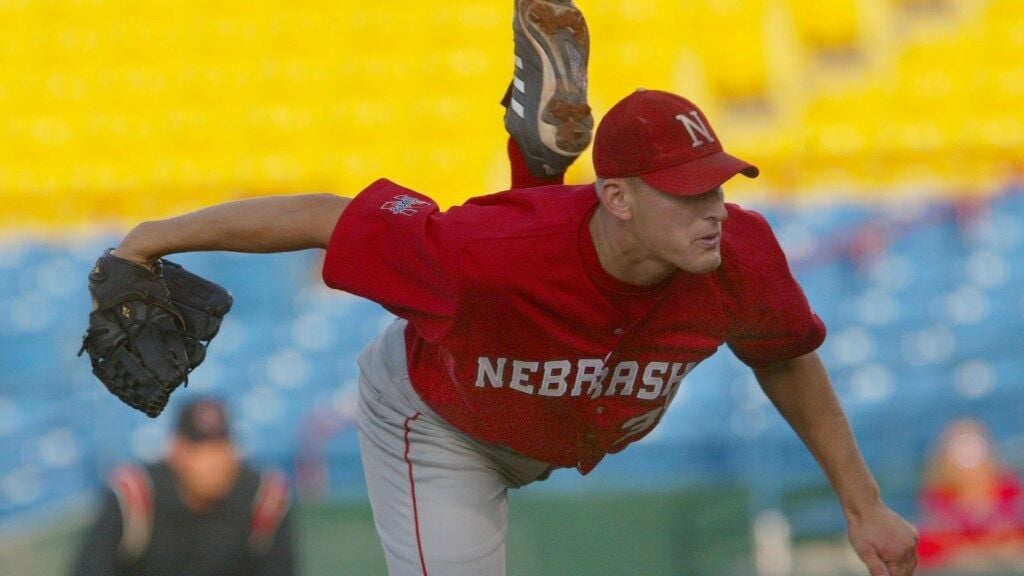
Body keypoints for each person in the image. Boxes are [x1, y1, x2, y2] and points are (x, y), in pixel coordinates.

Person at [101, 1, 918, 574]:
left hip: (547, 405)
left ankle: (538, 158)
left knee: (545, 262)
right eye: (689, 192)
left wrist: (862, 504)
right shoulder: (473, 252)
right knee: (522, 255)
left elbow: (784, 356)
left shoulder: (739, 253)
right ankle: (536, 166)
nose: (714, 208)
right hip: (437, 420)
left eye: (719, 185)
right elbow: (326, 214)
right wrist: (150, 240)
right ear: (622, 195)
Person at [70, 398, 296, 576]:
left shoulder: (264, 499)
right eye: (199, 448)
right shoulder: (135, 495)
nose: (212, 461)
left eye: (220, 447)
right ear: (176, 450)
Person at [917, 418, 1024, 570]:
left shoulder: (1009, 491)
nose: (969, 456)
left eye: (974, 448)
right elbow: (929, 549)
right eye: (961, 449)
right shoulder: (940, 499)